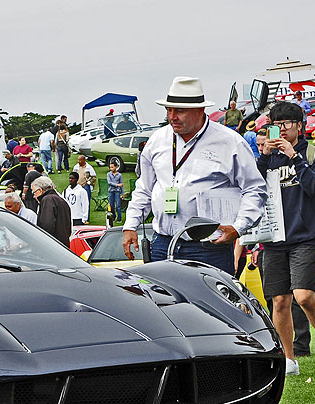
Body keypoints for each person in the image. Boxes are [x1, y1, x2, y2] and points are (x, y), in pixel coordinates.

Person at [122, 76, 267, 274]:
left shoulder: (230, 142)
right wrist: (130, 225)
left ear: (200, 110)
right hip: (163, 244)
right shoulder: (157, 140)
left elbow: (255, 189)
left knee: (210, 296)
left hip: (209, 247)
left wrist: (238, 227)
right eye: (169, 110)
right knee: (161, 295)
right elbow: (144, 188)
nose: (172, 116)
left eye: (180, 111)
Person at [257, 100, 315, 377]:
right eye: (275, 126)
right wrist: (264, 156)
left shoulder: (313, 154)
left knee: (305, 296)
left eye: (285, 124)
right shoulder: (268, 157)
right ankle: (289, 359)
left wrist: (294, 157)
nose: (281, 130)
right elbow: (253, 188)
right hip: (274, 236)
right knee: (279, 300)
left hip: (306, 235)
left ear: (299, 126)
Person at [32, 176, 71, 246]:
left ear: (40, 190)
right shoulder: (60, 200)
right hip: (63, 245)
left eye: (34, 192)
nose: (34, 196)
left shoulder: (47, 200)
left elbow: (46, 226)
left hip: (52, 246)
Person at [72, 155, 97, 220]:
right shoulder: (76, 167)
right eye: (78, 160)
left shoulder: (89, 168)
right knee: (77, 202)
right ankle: (79, 217)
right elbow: (73, 176)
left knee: (86, 202)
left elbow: (94, 177)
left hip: (86, 186)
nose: (79, 161)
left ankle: (86, 218)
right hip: (77, 186)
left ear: (84, 160)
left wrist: (88, 183)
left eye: (80, 160)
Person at [106, 161, 125, 225]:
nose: (111, 168)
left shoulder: (119, 175)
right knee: (111, 205)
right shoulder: (108, 174)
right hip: (111, 191)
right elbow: (109, 182)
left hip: (117, 191)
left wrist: (123, 193)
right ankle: (113, 217)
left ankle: (119, 218)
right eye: (110, 167)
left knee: (118, 205)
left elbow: (121, 184)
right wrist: (117, 185)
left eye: (112, 167)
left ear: (116, 167)